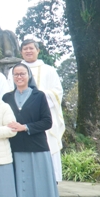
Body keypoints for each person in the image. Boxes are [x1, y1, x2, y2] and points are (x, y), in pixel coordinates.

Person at [3, 63, 63, 197]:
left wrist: (25, 127)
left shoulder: (39, 96)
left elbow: (47, 122)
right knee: (24, 189)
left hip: (37, 148)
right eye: (16, 74)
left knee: (40, 188)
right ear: (12, 78)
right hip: (16, 148)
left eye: (22, 74)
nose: (19, 77)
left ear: (29, 76)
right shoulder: (7, 97)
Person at [7, 39, 65, 182]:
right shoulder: (13, 71)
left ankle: (52, 179)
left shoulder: (49, 70)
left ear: (38, 50)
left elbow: (57, 92)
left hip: (44, 115)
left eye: (31, 48)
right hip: (19, 116)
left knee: (49, 145)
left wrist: (38, 98)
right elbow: (9, 92)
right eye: (25, 48)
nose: (28, 51)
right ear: (21, 52)